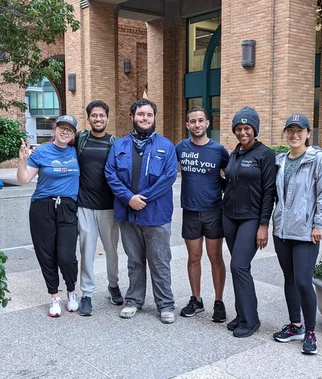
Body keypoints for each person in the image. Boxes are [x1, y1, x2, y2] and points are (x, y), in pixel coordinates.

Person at [104, 98, 178, 324]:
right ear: (133, 116)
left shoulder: (166, 146)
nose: (144, 118)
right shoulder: (119, 146)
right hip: (128, 214)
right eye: (140, 114)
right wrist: (129, 198)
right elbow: (110, 173)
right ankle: (134, 300)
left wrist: (141, 199)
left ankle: (165, 304)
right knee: (134, 260)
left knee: (159, 261)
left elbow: (169, 177)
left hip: (156, 214)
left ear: (154, 118)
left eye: (149, 115)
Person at [271, 114, 322, 355]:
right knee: (289, 279)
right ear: (285, 134)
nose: (294, 135)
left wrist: (320, 224)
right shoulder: (281, 161)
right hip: (283, 231)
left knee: (302, 281)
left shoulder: (317, 159)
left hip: (307, 232)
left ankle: (310, 331)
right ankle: (295, 325)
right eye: (290, 130)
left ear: (309, 133)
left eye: (300, 130)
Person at [17, 115, 80, 318]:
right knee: (46, 255)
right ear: (55, 129)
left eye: (69, 129)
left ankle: (72, 291)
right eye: (61, 127)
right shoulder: (42, 151)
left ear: (73, 134)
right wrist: (22, 161)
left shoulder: (76, 152)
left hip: (68, 207)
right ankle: (54, 296)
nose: (65, 132)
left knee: (67, 256)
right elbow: (23, 179)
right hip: (42, 207)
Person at [223, 107, 277, 338]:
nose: (242, 132)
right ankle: (242, 314)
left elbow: (269, 192)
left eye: (247, 128)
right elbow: (232, 185)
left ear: (255, 129)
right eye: (238, 128)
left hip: (251, 218)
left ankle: (251, 320)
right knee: (238, 268)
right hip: (229, 217)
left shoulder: (265, 155)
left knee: (239, 266)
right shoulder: (234, 153)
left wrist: (263, 225)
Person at [175, 105, 229, 322]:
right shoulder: (180, 148)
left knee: (215, 257)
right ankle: (196, 299)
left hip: (214, 211)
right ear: (188, 125)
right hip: (190, 211)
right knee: (194, 257)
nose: (197, 124)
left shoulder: (218, 151)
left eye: (200, 120)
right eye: (192, 121)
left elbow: (233, 175)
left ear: (207, 123)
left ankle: (219, 301)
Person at [75, 100, 122, 316]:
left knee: (112, 251)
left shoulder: (114, 143)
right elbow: (59, 146)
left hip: (109, 208)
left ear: (107, 118)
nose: (98, 119)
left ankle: (113, 285)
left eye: (102, 116)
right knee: (86, 252)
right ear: (89, 118)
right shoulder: (80, 139)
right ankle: (86, 294)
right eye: (94, 115)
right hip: (84, 206)